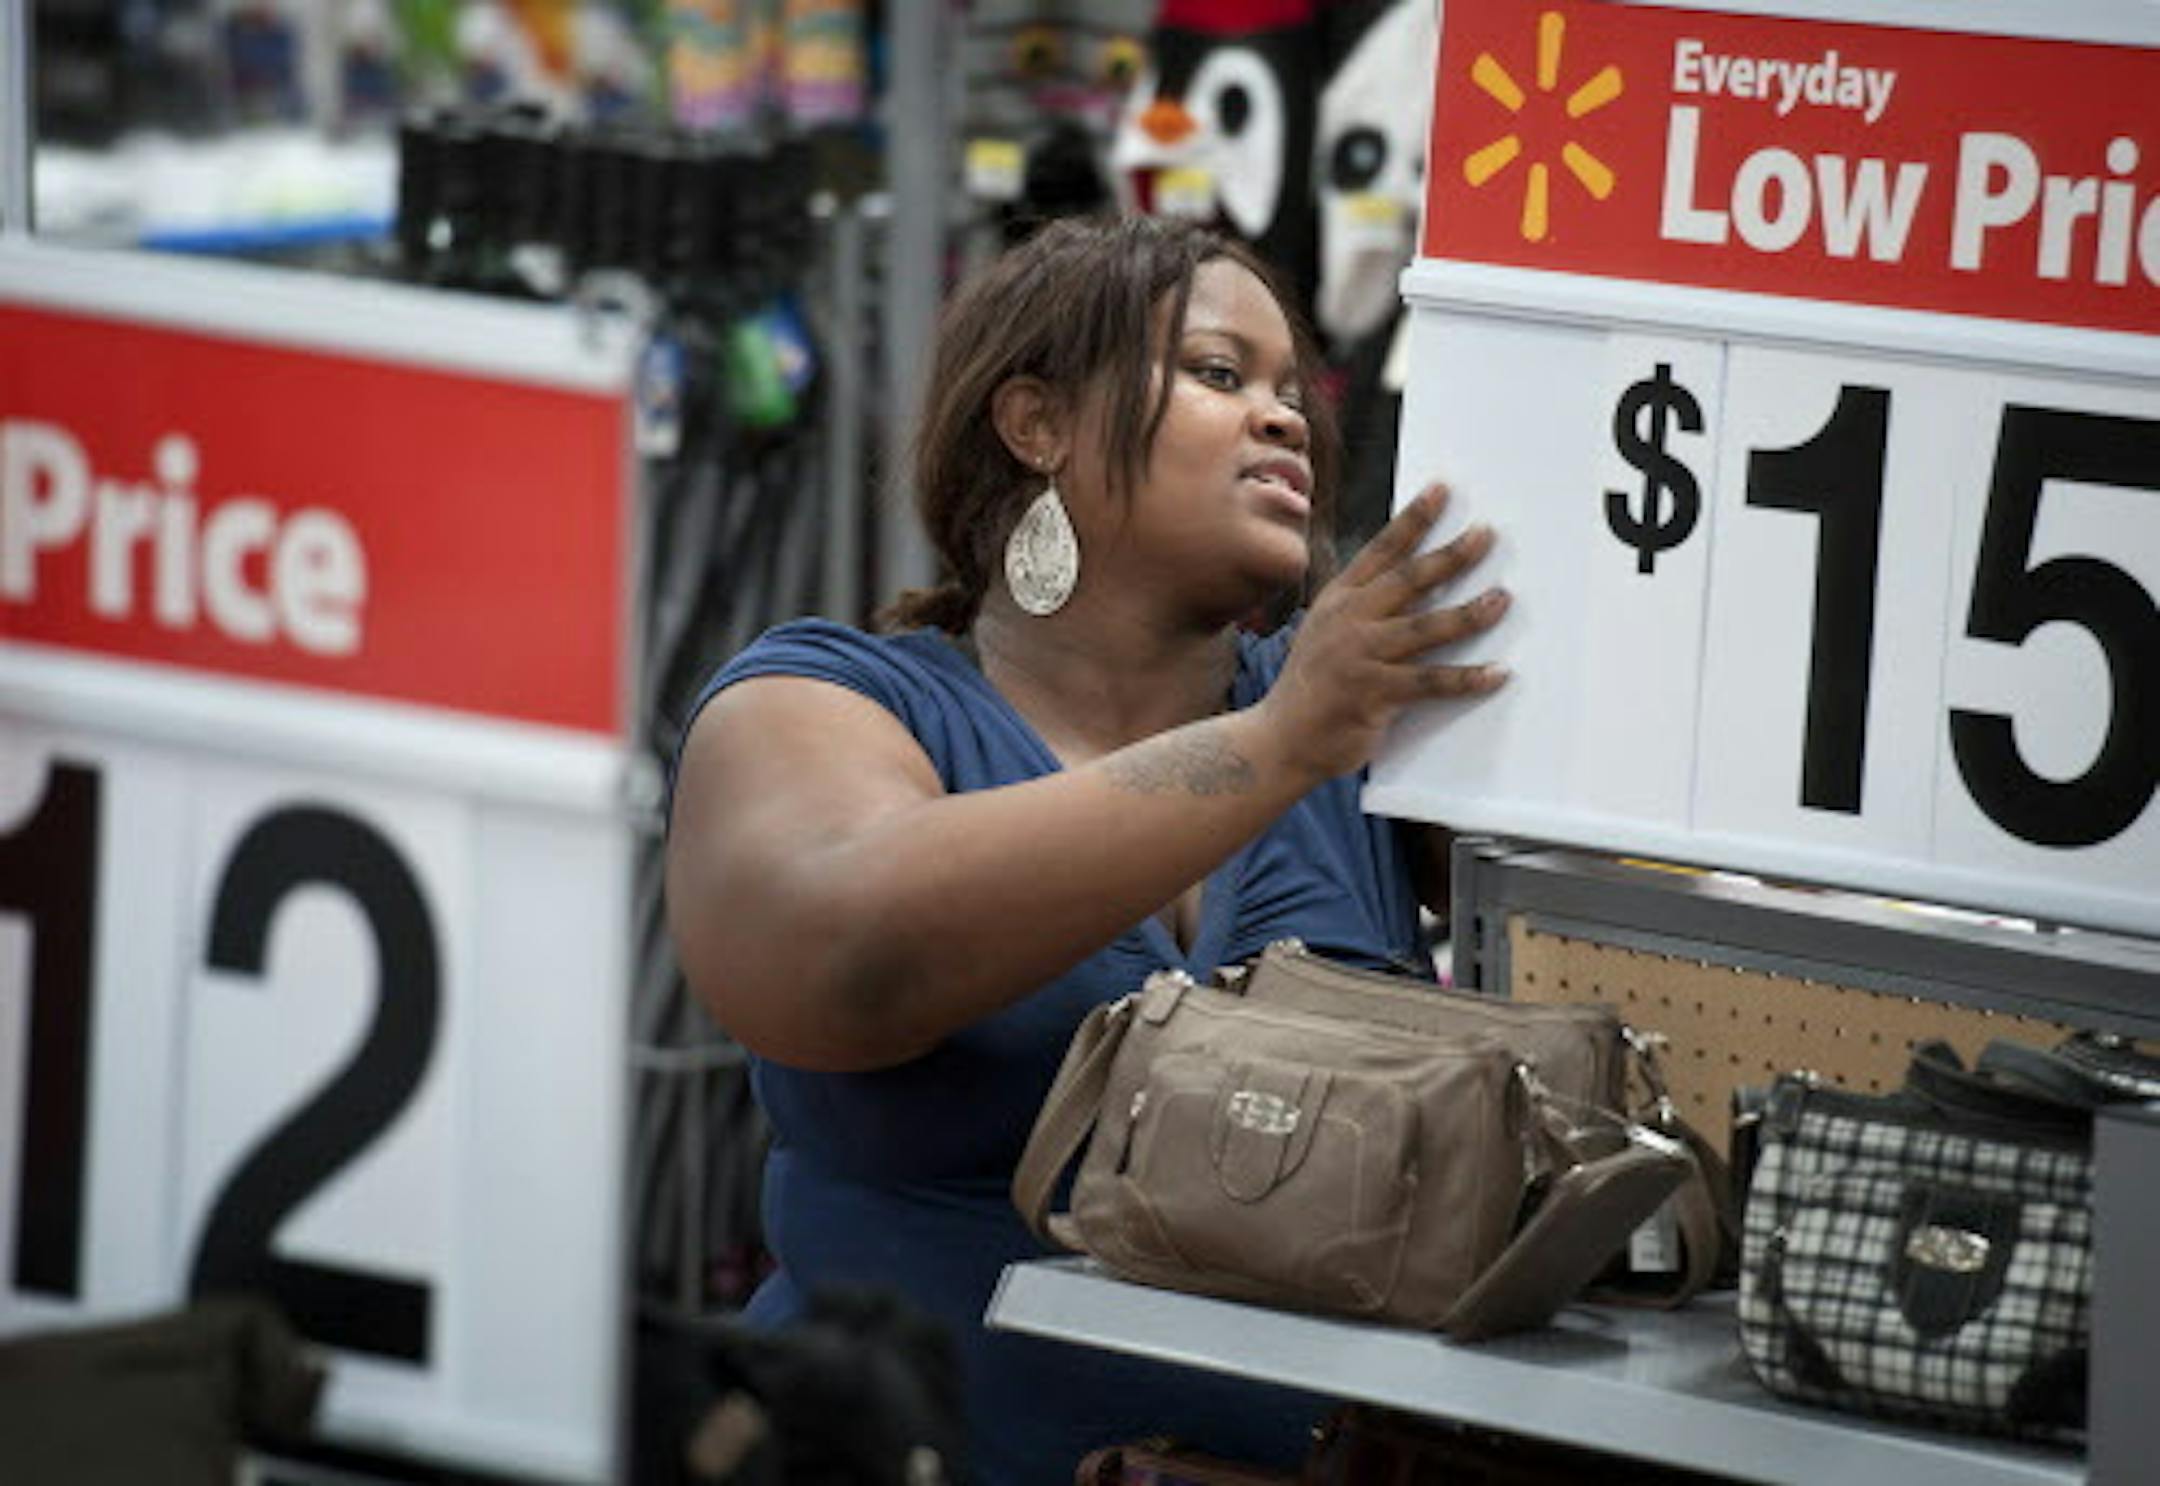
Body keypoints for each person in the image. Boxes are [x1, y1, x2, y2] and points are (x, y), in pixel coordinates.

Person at [665, 213, 1510, 1484]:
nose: (1283, 418)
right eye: (1219, 373)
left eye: (1294, 394)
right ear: (1036, 422)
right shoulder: (827, 699)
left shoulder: (1367, 729)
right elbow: (835, 954)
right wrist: (1277, 745)